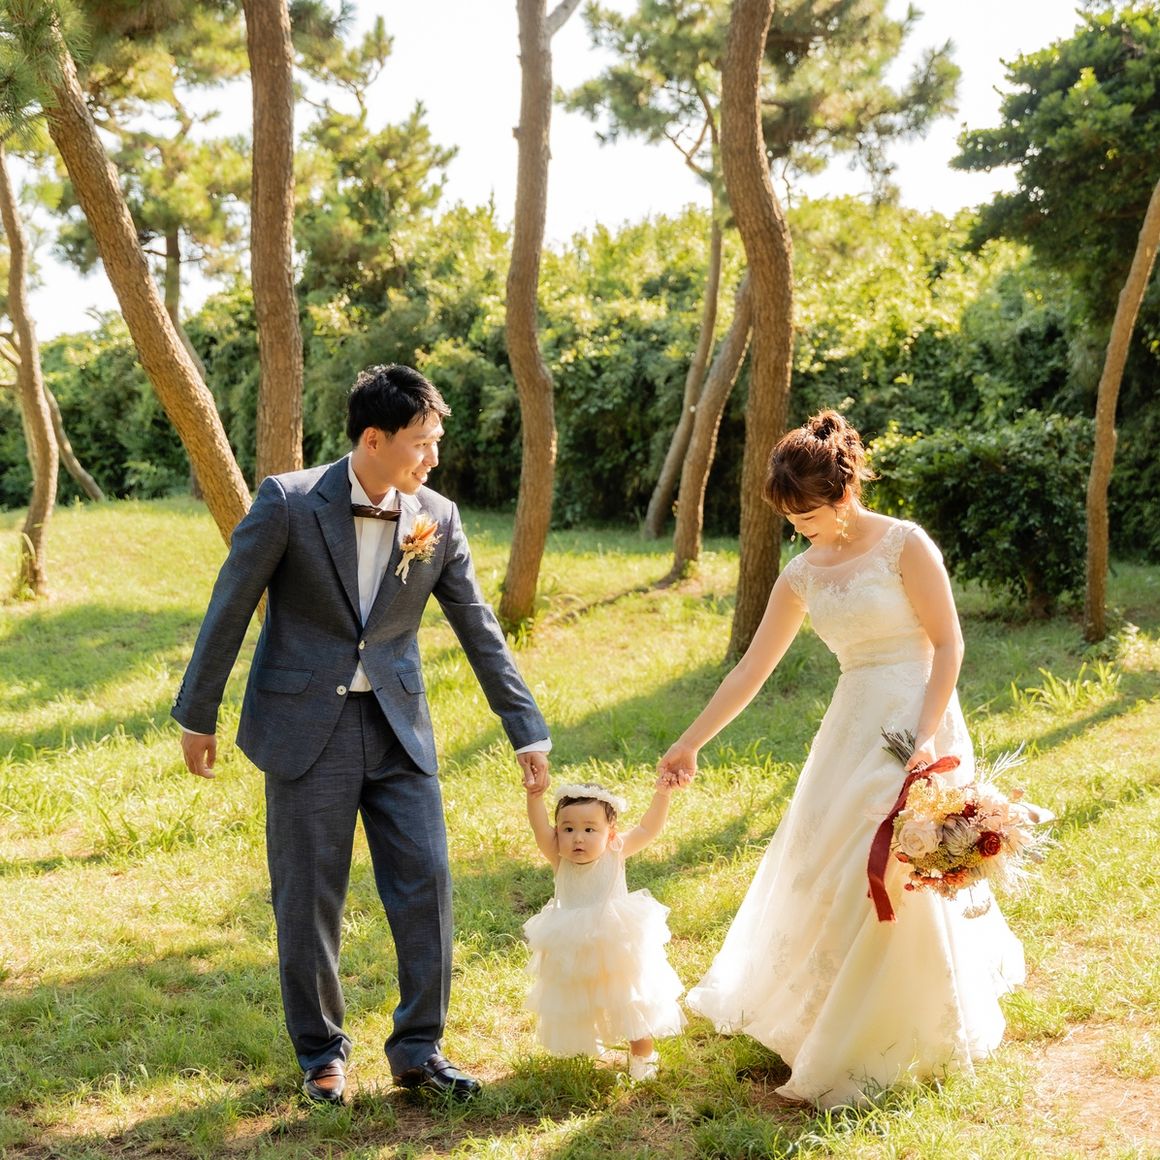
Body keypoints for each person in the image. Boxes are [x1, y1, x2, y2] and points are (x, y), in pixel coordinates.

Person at [173, 364, 551, 1105]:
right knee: (308, 895)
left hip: (398, 727)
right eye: (421, 442)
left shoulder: (436, 516)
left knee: (427, 882)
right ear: (373, 439)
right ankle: (321, 1056)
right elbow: (230, 603)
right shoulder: (288, 502)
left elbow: (478, 627)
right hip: (305, 729)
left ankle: (419, 1050)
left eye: (436, 441)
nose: (432, 458)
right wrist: (199, 712)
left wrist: (525, 728)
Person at [657, 410, 1025, 1108]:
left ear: (845, 490)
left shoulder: (905, 544)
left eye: (810, 515)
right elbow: (750, 671)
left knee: (897, 862)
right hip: (852, 725)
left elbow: (948, 643)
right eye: (791, 520)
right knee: (831, 861)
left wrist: (924, 736)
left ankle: (904, 1029)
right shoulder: (800, 574)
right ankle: (829, 1019)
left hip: (918, 716)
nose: (801, 529)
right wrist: (690, 740)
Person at [523, 778, 686, 1081]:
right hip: (572, 944)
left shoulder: (615, 851)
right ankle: (588, 1042)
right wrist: (535, 797)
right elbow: (538, 827)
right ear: (557, 832)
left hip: (615, 942)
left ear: (610, 834)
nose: (578, 838)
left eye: (590, 829)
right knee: (577, 997)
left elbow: (648, 829)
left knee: (627, 997)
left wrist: (662, 795)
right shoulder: (558, 856)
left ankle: (642, 1055)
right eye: (568, 829)